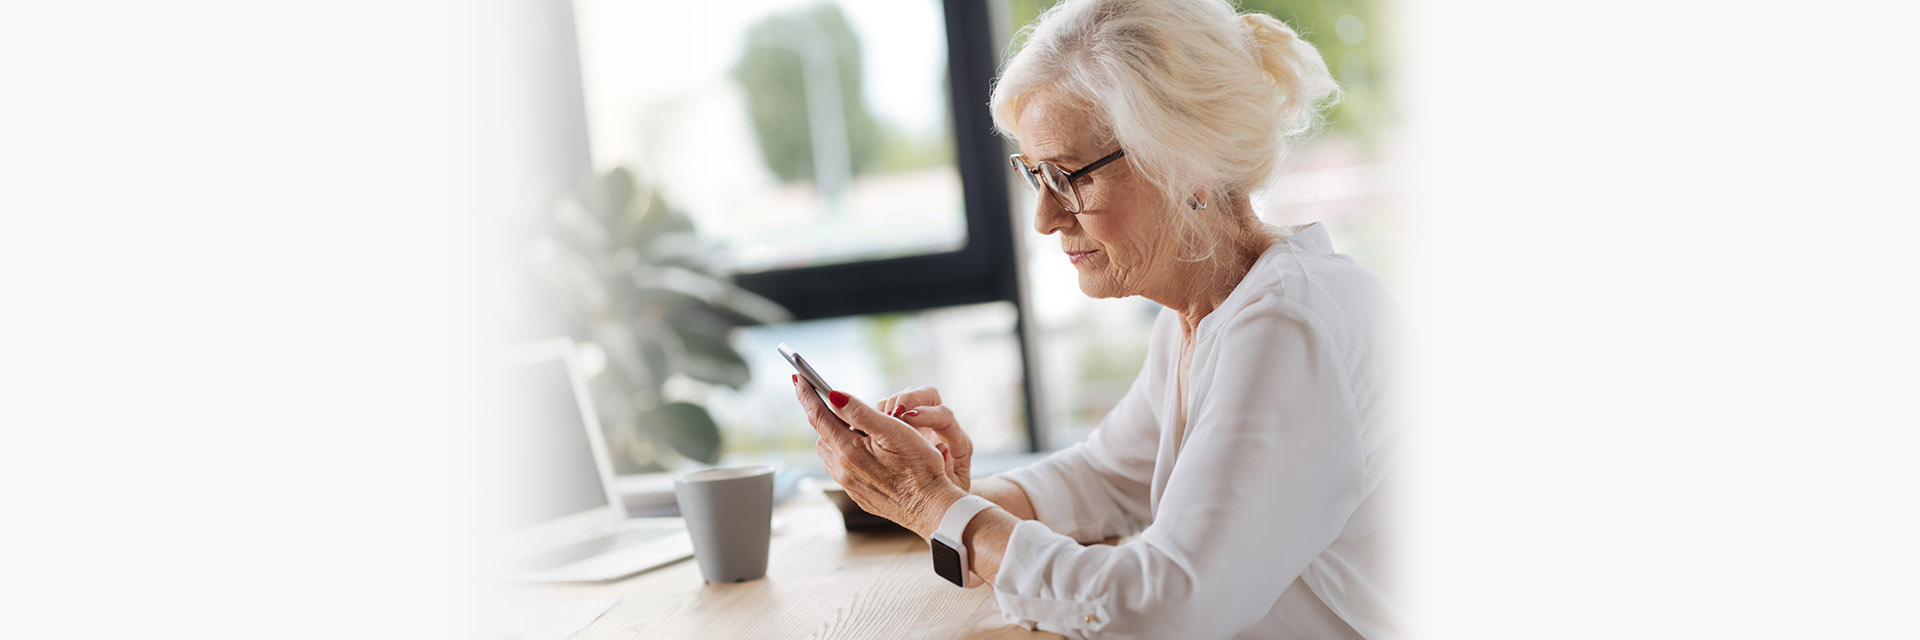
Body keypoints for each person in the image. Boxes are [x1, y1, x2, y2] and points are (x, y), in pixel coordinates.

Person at [791, 0, 1400, 636]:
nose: (1045, 218)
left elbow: (1162, 607)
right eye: (1035, 175)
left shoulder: (1287, 329)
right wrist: (946, 492)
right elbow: (1107, 477)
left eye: (1068, 175)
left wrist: (939, 508)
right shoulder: (1206, 310)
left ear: (1185, 159)